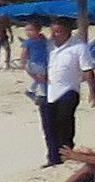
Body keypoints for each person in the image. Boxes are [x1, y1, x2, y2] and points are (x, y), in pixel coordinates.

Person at [35, 19, 87, 167]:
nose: (54, 34)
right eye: (53, 31)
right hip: (47, 90)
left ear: (68, 31)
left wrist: (93, 91)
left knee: (64, 121)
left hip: (69, 89)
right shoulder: (47, 46)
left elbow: (87, 69)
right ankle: (53, 157)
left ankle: (66, 153)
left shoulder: (79, 46)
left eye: (58, 31)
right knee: (48, 126)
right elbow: (34, 59)